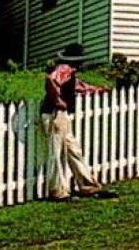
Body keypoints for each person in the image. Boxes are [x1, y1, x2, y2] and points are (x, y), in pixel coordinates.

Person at [42, 43, 110, 200]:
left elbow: (78, 86)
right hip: (54, 113)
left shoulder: (69, 71)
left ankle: (87, 185)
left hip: (60, 114)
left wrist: (97, 89)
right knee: (57, 152)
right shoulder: (63, 68)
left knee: (73, 148)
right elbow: (51, 81)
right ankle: (57, 191)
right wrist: (57, 100)